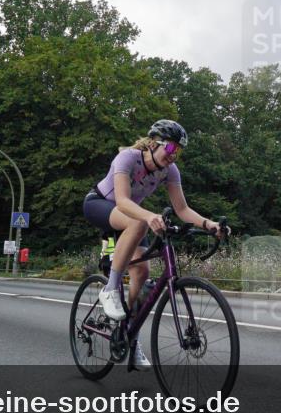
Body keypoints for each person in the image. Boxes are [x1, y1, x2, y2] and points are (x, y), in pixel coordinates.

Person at [83, 120, 229, 370]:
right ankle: (110, 288)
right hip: (101, 204)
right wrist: (149, 216)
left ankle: (130, 337)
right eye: (171, 149)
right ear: (154, 143)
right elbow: (122, 201)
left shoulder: (170, 172)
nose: (174, 157)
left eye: (179, 152)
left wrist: (209, 225)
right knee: (139, 223)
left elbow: (182, 209)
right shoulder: (127, 158)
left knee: (142, 272)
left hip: (131, 216)